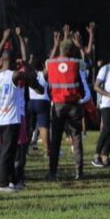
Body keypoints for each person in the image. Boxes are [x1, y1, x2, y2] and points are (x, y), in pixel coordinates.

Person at [0, 33, 43, 192]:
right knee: (9, 153)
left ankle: (12, 181)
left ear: (1, 60)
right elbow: (33, 77)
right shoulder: (14, 75)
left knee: (6, 151)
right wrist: (26, 64)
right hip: (12, 119)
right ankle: (2, 184)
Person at [45, 33, 86, 180]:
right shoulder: (76, 64)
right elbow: (81, 85)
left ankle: (52, 172)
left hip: (57, 106)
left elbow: (46, 80)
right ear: (71, 51)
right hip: (73, 105)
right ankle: (79, 172)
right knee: (76, 139)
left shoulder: (50, 63)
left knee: (55, 140)